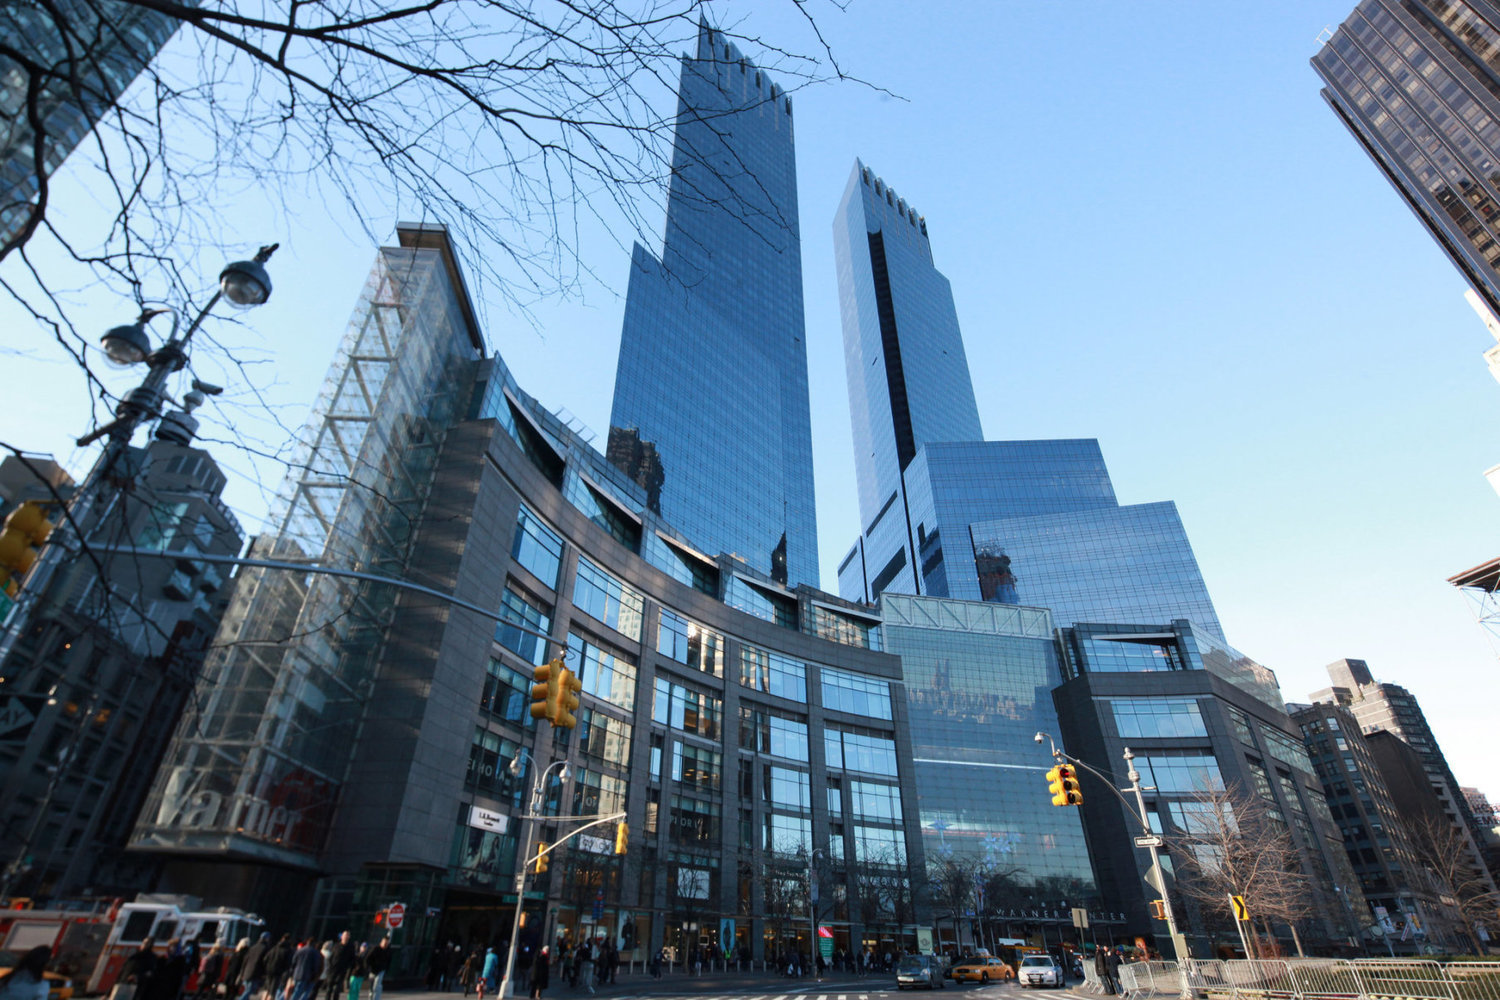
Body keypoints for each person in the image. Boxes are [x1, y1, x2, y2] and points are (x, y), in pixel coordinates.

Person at [236, 935, 271, 1000]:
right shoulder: (265, 949)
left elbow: (245, 961)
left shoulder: (252, 947)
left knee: (247, 990)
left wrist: (242, 972)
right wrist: (264, 973)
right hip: (256, 973)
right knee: (249, 991)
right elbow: (265, 962)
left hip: (247, 972)